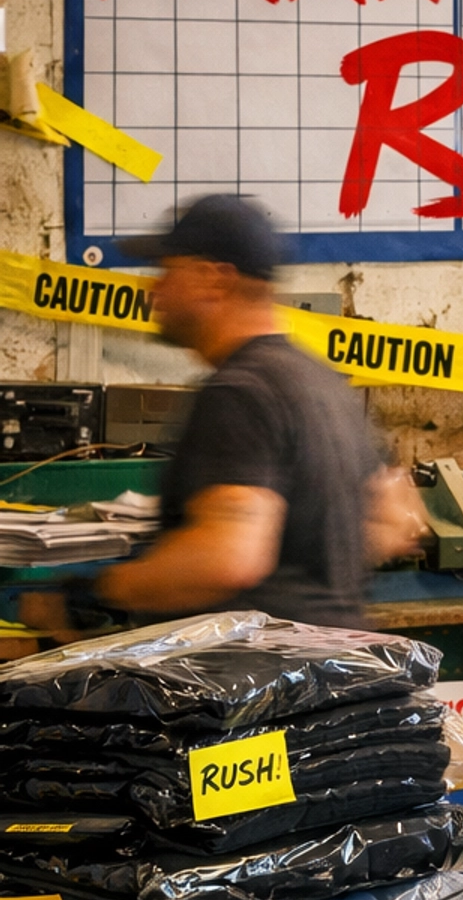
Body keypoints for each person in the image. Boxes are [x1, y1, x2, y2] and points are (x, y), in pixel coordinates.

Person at [21, 195, 425, 639]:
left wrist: (91, 597)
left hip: (258, 673)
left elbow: (227, 560)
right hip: (332, 665)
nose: (154, 291)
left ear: (214, 279)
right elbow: (393, 522)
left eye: (167, 272)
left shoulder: (240, 392)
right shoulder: (325, 384)